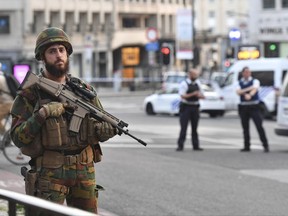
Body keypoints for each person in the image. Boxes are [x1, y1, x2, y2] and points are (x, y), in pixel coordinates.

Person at [9, 27, 118, 214]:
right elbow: (18, 137)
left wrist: (104, 132)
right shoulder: (31, 92)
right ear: (42, 57)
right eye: (52, 51)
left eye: (62, 50)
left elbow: (99, 124)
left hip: (84, 170)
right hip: (50, 173)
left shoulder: (84, 90)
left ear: (67, 54)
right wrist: (42, 115)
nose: (58, 55)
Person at [236, 66, 269, 153]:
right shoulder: (239, 82)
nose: (247, 73)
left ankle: (265, 145)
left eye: (249, 72)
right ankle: (246, 146)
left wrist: (249, 94)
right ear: (243, 73)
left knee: (259, 126)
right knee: (245, 127)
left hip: (254, 106)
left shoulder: (255, 81)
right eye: (246, 72)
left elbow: (254, 89)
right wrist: (248, 90)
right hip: (244, 107)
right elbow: (238, 92)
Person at [176, 68, 205, 151]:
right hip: (186, 107)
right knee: (183, 127)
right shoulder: (184, 84)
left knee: (195, 128)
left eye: (196, 75)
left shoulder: (198, 83)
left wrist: (198, 96)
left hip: (195, 107)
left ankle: (196, 145)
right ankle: (180, 145)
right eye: (194, 74)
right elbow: (182, 95)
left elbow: (203, 96)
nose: (196, 76)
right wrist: (193, 94)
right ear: (190, 75)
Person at [0, 63, 14, 134]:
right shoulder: (4, 76)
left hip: (7, 104)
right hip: (11, 102)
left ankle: (6, 134)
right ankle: (5, 134)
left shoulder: (0, 78)